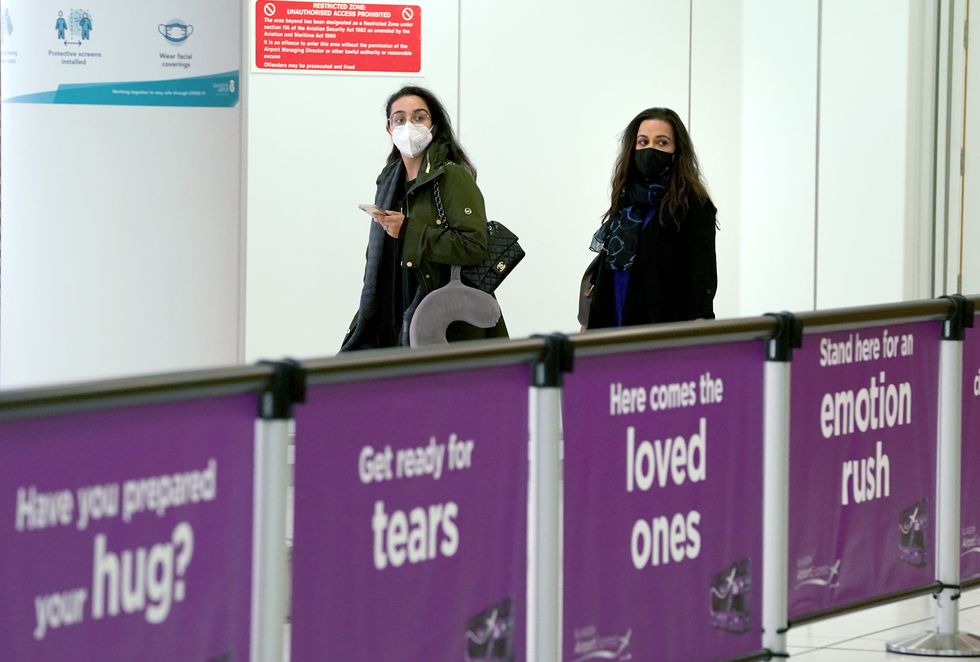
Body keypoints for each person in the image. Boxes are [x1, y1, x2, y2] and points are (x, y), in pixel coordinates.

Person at [341, 86, 508, 351]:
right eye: (400, 119)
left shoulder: (452, 177)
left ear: (434, 125)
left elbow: (475, 246)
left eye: (419, 117)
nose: (409, 126)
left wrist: (409, 230)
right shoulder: (388, 181)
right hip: (390, 313)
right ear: (389, 129)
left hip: (439, 318)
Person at [580, 107, 717, 329]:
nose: (650, 149)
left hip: (662, 327)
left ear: (677, 151)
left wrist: (698, 327)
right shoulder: (626, 199)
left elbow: (702, 275)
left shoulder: (692, 205)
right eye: (643, 142)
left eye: (662, 142)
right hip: (611, 320)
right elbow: (606, 267)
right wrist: (588, 322)